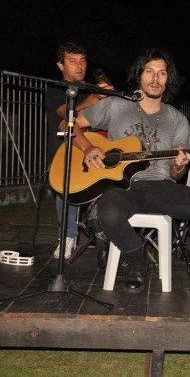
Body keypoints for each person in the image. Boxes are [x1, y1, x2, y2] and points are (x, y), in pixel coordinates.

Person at [69, 48, 190, 311]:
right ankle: (137, 260)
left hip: (162, 187)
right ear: (139, 76)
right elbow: (68, 125)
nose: (155, 78)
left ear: (167, 79)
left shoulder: (177, 119)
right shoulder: (115, 105)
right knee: (108, 209)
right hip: (123, 187)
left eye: (162, 73)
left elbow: (176, 176)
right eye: (149, 72)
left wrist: (179, 166)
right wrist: (88, 148)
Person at [44, 42, 110, 260]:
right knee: (67, 183)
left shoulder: (92, 89)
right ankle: (68, 236)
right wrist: (94, 100)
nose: (79, 66)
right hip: (65, 152)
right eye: (72, 61)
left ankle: (107, 233)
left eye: (82, 61)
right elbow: (66, 114)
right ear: (60, 65)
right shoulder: (55, 89)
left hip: (97, 151)